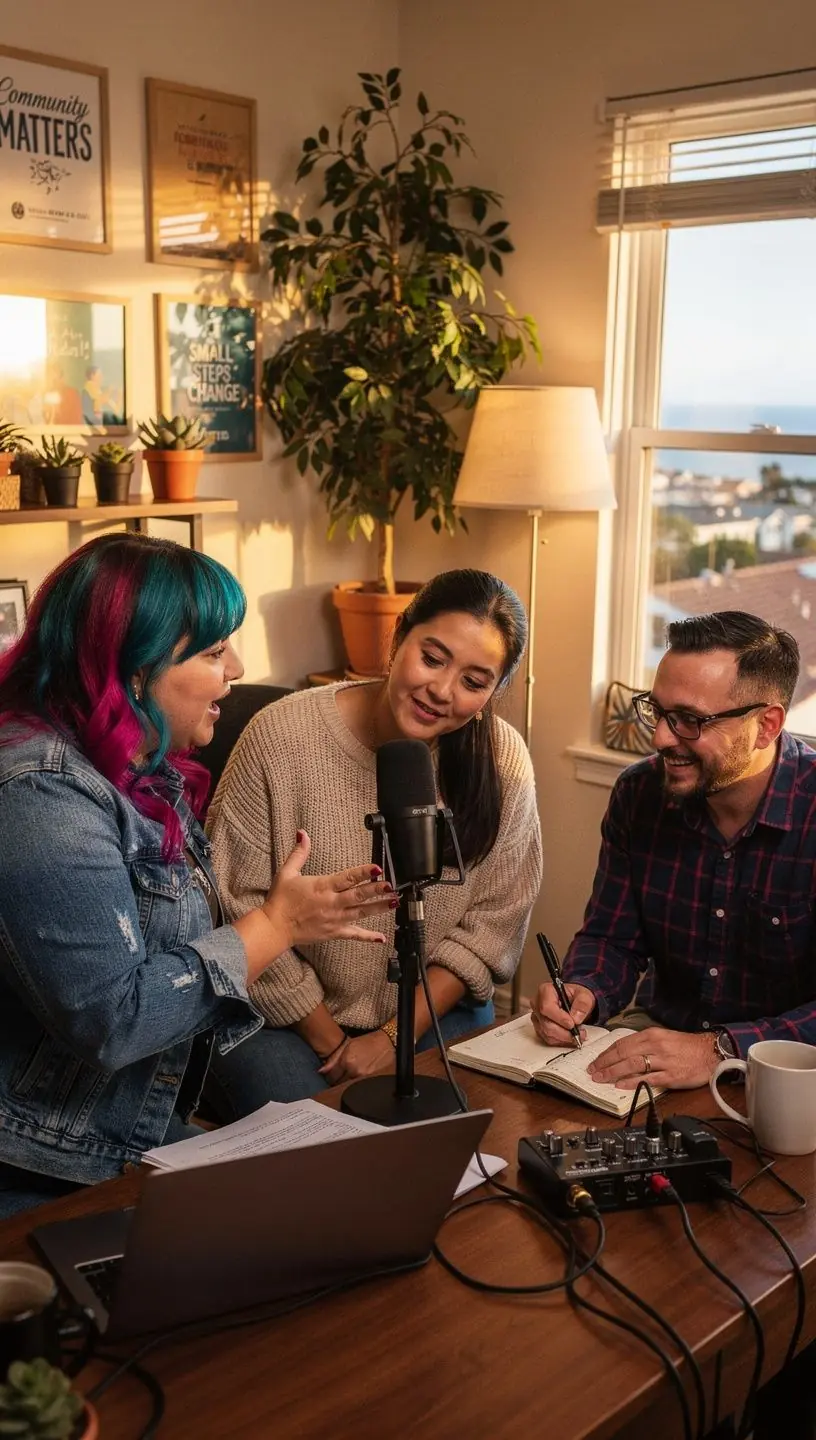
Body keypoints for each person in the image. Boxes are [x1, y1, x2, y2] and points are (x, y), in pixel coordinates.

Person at [0, 534, 392, 1218]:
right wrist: (276, 926)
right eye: (213, 653)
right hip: (40, 1157)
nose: (236, 667)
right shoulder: (39, 793)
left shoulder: (138, 768)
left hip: (115, 1131)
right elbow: (114, 1020)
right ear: (133, 670)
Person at [205, 569, 542, 1113]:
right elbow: (234, 906)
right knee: (329, 1146)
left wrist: (390, 1039)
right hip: (285, 1019)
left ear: (494, 692)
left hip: (433, 1011)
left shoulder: (503, 762)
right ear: (399, 635)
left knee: (470, 1135)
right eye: (432, 658)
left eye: (474, 682)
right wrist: (335, 1042)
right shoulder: (280, 737)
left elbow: (493, 925)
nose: (442, 691)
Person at [532, 609, 816, 1092]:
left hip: (791, 1074)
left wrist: (721, 1049)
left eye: (689, 720)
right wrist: (584, 991)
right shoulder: (638, 792)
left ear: (767, 725)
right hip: (661, 1040)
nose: (661, 737)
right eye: (657, 711)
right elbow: (612, 937)